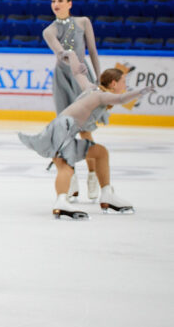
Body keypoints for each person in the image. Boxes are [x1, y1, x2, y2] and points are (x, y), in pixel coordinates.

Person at [19, 52, 153, 219]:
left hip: (62, 130)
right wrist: (140, 92)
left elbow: (77, 73)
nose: (125, 85)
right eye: (123, 82)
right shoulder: (101, 95)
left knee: (100, 152)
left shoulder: (92, 88)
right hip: (62, 130)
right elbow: (120, 99)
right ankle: (61, 201)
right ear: (113, 83)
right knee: (65, 166)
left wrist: (71, 56)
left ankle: (106, 195)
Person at [43, 0, 103, 201]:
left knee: (86, 130)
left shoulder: (83, 22)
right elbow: (61, 53)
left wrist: (98, 79)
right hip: (63, 79)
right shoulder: (49, 31)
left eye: (60, 0)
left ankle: (94, 175)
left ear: (70, 3)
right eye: (53, 1)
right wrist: (70, 59)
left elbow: (93, 51)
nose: (56, 4)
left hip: (84, 77)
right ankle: (72, 178)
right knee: (66, 131)